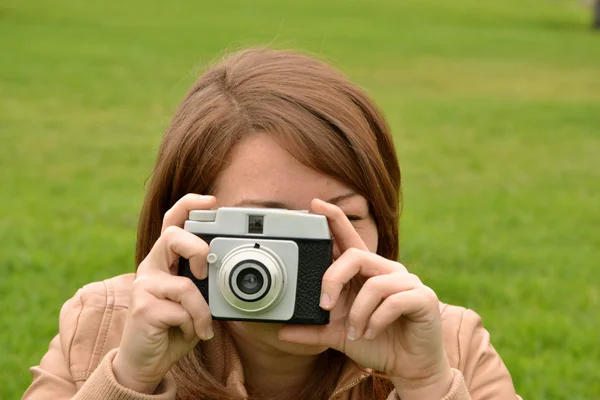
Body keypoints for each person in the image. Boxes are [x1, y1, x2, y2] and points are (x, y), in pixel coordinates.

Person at [23, 48, 520, 400]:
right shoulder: (104, 325)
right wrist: (129, 379)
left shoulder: (448, 343)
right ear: (182, 228)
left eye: (342, 218)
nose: (306, 255)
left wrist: (428, 385)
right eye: (263, 225)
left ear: (382, 225)